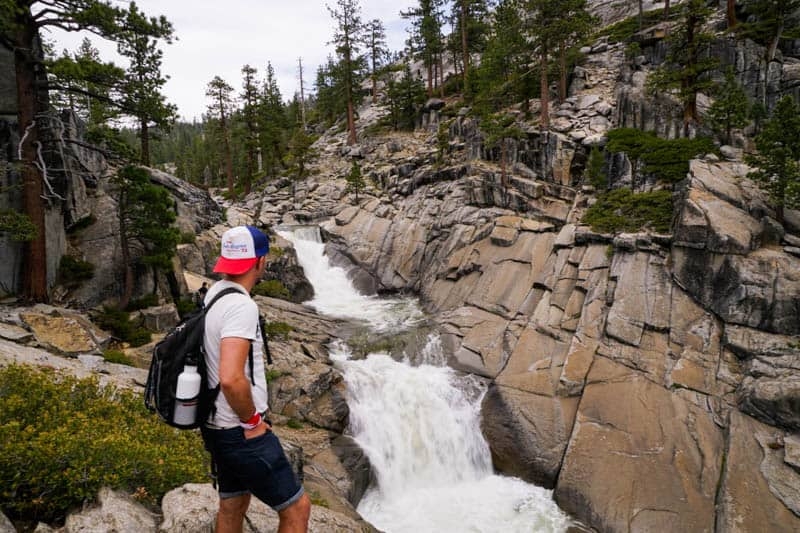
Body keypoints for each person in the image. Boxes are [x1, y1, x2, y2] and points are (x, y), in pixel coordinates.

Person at [201, 225, 311, 533]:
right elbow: (231, 378)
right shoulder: (241, 306)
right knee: (297, 508)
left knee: (233, 504)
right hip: (239, 430)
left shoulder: (214, 295)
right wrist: (252, 422)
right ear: (260, 262)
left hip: (215, 426)